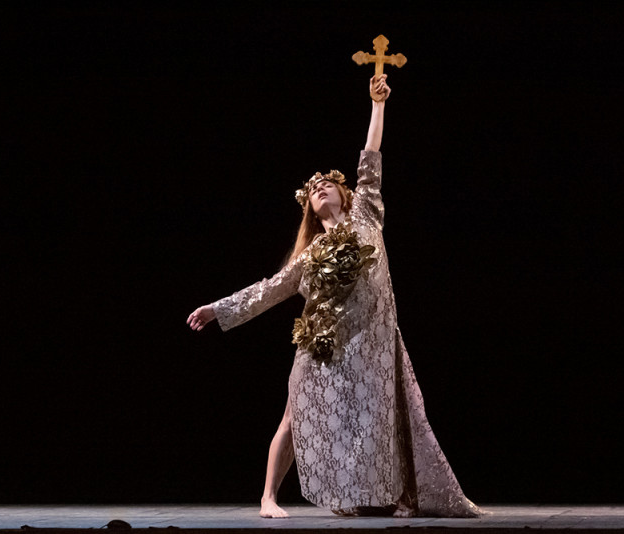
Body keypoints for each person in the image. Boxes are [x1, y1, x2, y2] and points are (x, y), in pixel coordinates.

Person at [187, 74, 482, 519]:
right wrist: (217, 309)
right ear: (308, 207)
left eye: (326, 183)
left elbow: (371, 157)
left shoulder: (367, 212)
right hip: (325, 343)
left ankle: (396, 492)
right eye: (311, 191)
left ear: (344, 193)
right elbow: (268, 290)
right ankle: (268, 498)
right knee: (294, 414)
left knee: (384, 416)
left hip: (373, 342)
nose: (319, 188)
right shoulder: (309, 256)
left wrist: (377, 105)